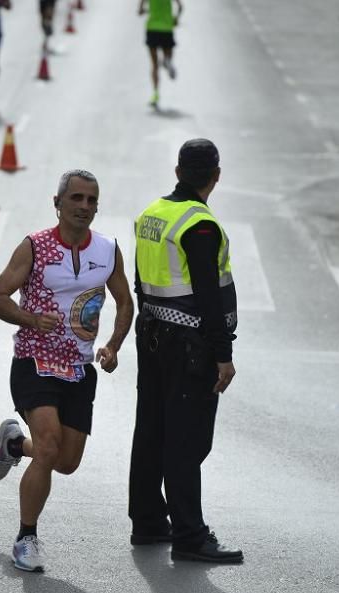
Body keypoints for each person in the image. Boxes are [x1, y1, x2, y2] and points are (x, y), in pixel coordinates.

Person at [0, 170, 133, 573]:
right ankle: (26, 537)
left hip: (80, 368)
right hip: (34, 360)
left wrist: (113, 346)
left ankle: (15, 446)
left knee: (65, 461)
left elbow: (125, 302)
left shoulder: (107, 249)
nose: (84, 206)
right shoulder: (35, 246)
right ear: (58, 203)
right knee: (49, 445)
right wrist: (31, 319)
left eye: (91, 200)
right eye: (77, 199)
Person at [128, 138, 242, 564]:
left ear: (178, 172)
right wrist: (223, 354)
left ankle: (149, 521)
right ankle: (190, 535)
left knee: (151, 430)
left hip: (153, 334)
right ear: (216, 176)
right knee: (187, 439)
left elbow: (142, 281)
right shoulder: (201, 225)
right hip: (190, 345)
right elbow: (209, 298)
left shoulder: (152, 215)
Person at [138, 0, 182, 108]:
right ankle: (166, 61)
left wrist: (144, 11)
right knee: (168, 56)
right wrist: (176, 19)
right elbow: (180, 7)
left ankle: (155, 93)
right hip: (167, 28)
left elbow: (140, 10)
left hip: (152, 28)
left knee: (154, 65)